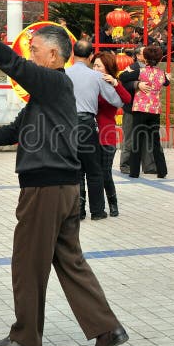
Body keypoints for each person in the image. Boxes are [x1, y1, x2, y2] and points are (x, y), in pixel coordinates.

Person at [0, 11, 129, 346]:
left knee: (27, 262)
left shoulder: (54, 82)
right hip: (62, 188)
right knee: (70, 261)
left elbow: (13, 65)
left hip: (46, 189)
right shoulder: (46, 95)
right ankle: (106, 329)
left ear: (53, 55)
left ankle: (26, 335)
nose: (30, 55)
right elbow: (15, 129)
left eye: (35, 49)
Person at [68, 39, 123, 220]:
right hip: (87, 124)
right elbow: (116, 101)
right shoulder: (96, 77)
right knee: (94, 170)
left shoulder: (64, 74)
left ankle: (78, 211)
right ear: (91, 56)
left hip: (67, 125)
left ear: (72, 55)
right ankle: (97, 211)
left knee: (76, 170)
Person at [92, 51, 131, 217]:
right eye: (93, 65)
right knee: (93, 173)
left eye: (98, 66)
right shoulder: (90, 83)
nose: (95, 68)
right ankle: (96, 206)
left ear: (107, 68)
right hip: (88, 135)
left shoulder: (113, 84)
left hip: (107, 135)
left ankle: (113, 203)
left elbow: (127, 99)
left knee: (105, 172)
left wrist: (115, 83)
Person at [119, 45, 165, 175]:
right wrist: (137, 84)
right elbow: (123, 82)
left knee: (148, 139)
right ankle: (126, 165)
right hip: (131, 108)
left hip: (145, 109)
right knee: (130, 138)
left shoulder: (154, 70)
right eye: (143, 53)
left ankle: (149, 166)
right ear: (138, 56)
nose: (145, 55)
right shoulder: (133, 68)